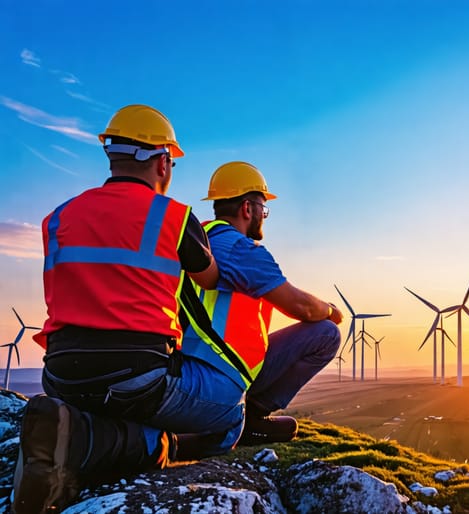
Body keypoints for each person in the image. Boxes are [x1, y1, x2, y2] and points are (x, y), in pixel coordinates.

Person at [15, 105, 226, 514]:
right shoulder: (176, 217)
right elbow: (209, 278)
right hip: (139, 376)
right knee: (227, 417)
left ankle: (68, 433)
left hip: (61, 373)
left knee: (109, 400)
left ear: (112, 155)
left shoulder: (57, 218)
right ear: (163, 162)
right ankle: (137, 445)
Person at [179, 161, 343, 449]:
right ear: (247, 208)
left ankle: (244, 415)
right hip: (222, 370)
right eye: (263, 209)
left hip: (184, 368)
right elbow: (301, 306)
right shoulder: (240, 249)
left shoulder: (196, 239)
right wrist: (330, 310)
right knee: (326, 333)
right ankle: (252, 418)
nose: (263, 216)